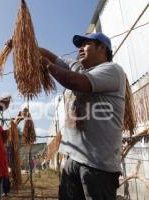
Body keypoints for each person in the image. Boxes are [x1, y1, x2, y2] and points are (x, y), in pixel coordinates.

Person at [39, 32, 125, 200]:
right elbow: (52, 56)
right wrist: (25, 44)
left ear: (102, 48)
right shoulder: (77, 66)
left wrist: (48, 66)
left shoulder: (112, 70)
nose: (80, 49)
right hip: (72, 159)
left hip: (97, 166)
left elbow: (76, 82)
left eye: (86, 44)